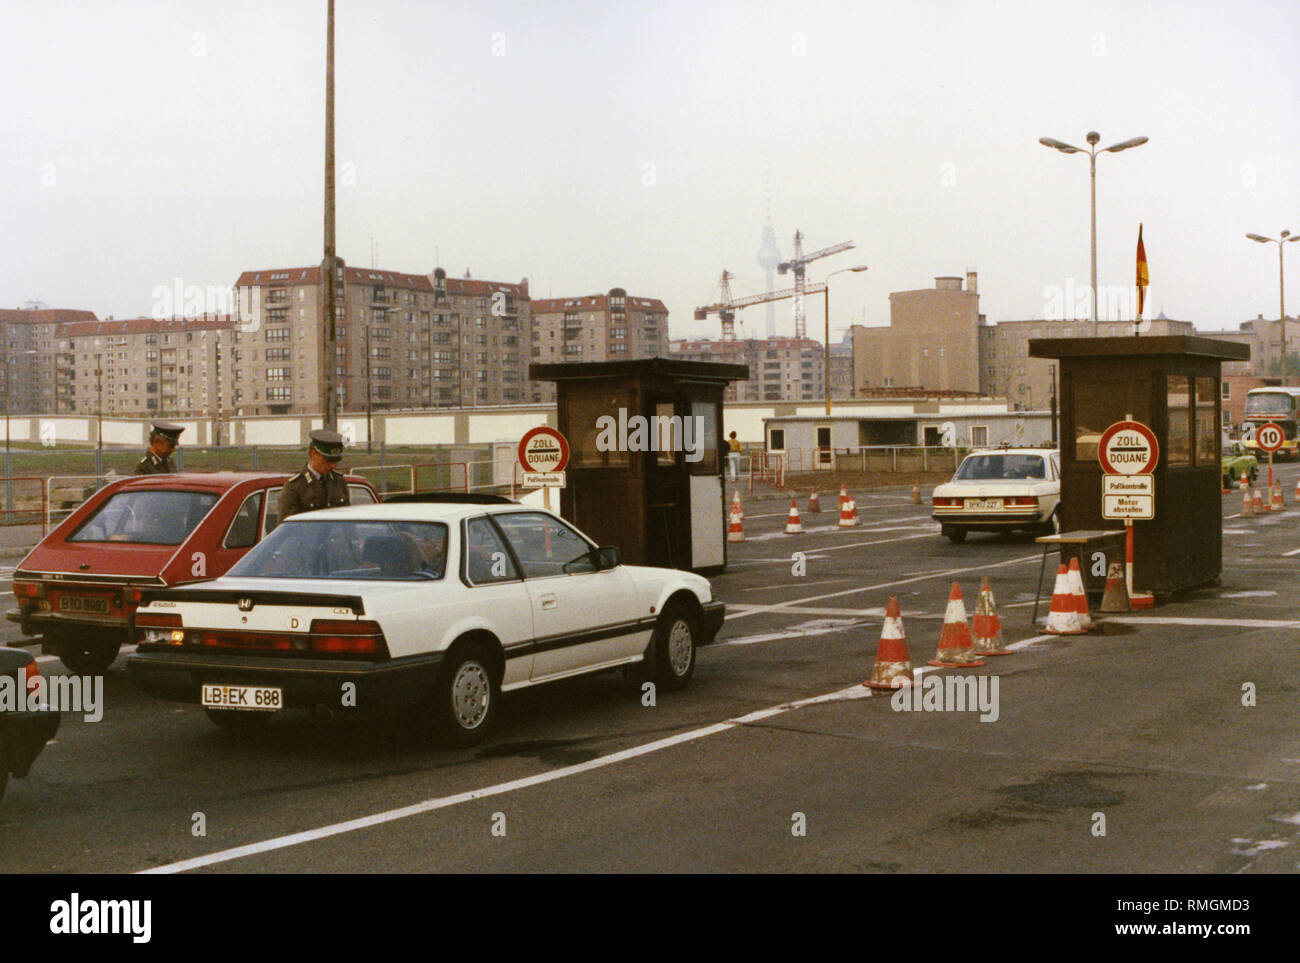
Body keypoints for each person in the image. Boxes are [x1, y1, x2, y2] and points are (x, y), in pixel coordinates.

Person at [277, 429, 351, 522]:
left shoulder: (339, 482)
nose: (333, 465)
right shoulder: (295, 487)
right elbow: (286, 529)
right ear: (313, 454)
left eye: (335, 461)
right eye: (327, 460)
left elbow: (348, 523)